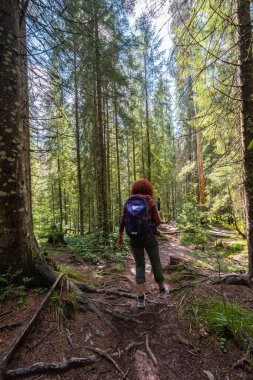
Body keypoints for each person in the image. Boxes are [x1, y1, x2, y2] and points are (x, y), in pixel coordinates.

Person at [118, 179, 169, 309]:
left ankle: (141, 297)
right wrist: (157, 214)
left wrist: (120, 236)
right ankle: (162, 291)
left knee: (139, 265)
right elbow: (157, 223)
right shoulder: (151, 201)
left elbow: (122, 220)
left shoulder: (128, 202)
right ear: (148, 189)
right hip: (149, 237)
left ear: (134, 189)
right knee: (155, 262)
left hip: (134, 238)